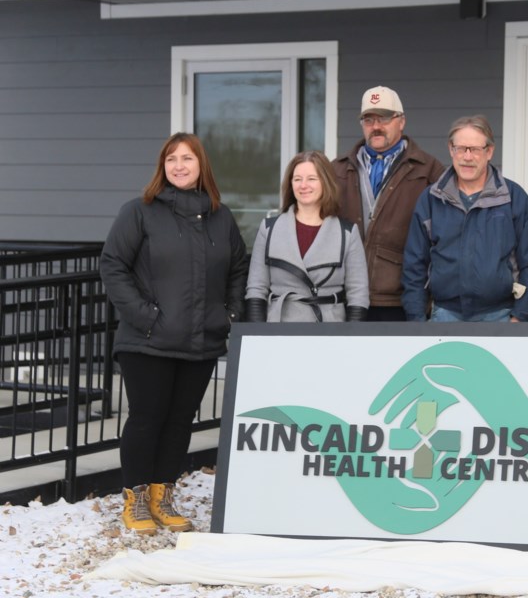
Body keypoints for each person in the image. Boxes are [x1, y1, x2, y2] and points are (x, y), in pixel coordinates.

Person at [100, 133, 248, 535]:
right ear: (162, 167)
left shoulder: (221, 216)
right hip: (147, 341)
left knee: (180, 421)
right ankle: (136, 499)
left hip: (201, 341)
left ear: (202, 165)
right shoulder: (140, 212)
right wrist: (145, 316)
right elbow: (112, 266)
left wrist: (229, 312)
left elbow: (237, 268)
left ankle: (163, 497)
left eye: (187, 158)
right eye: (171, 159)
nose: (179, 166)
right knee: (147, 419)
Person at [402, 115, 528, 322]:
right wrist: (417, 319)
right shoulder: (431, 199)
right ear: (451, 150)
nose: (467, 157)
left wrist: (520, 316)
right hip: (444, 315)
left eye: (475, 149)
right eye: (461, 148)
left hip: (503, 316)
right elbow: (414, 266)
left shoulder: (513, 198)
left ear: (489, 152)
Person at [333, 86, 445, 321]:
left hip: (399, 299)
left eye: (384, 118)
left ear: (401, 121)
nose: (376, 126)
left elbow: (443, 237)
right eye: (368, 119)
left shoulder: (430, 171)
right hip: (344, 296)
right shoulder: (337, 169)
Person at [245, 151, 369, 323]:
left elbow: (358, 293)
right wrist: (257, 335)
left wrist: (351, 338)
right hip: (278, 330)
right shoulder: (268, 229)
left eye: (311, 178)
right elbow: (256, 288)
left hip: (330, 332)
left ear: (325, 182)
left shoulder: (347, 233)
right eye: (297, 179)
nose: (303, 185)